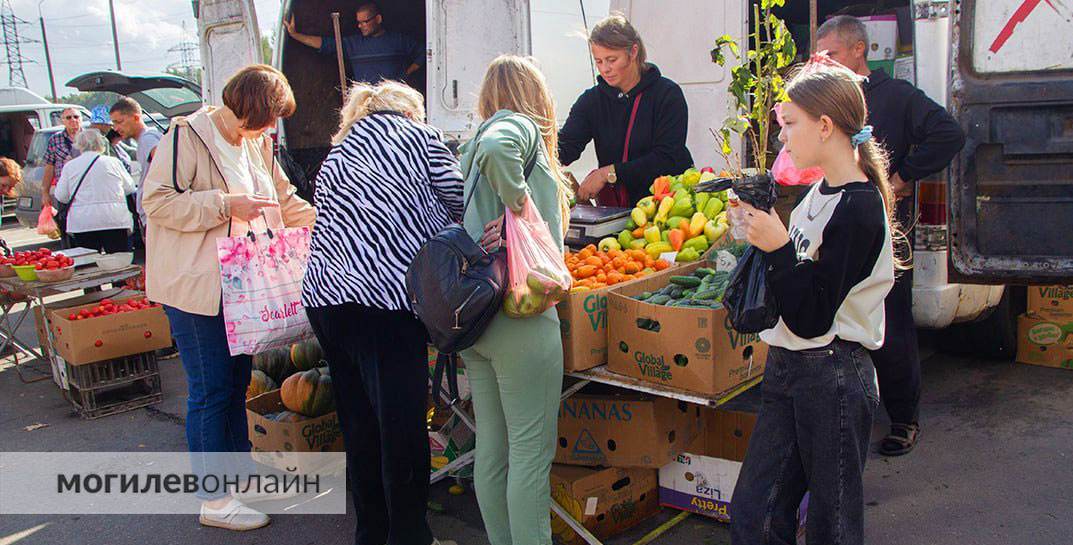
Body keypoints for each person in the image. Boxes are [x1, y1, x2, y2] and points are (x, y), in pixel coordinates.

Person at [728, 61, 896, 545]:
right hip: (789, 366)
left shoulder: (860, 208)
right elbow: (795, 282)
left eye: (789, 125)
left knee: (832, 526)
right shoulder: (819, 190)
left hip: (832, 374)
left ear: (825, 127)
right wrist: (757, 240)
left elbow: (811, 316)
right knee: (753, 515)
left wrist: (778, 247)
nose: (783, 139)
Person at [141, 64, 315, 531]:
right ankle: (213, 501)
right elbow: (154, 202)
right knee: (211, 389)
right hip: (197, 288)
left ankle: (237, 481)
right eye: (267, 118)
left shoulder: (258, 141)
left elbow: (285, 198)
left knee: (235, 385)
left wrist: (328, 220)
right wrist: (222, 205)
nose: (272, 128)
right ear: (246, 109)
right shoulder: (188, 135)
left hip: (242, 288)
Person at [301, 80, 462, 545]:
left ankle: (371, 533)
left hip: (326, 301)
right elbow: (461, 199)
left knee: (360, 424)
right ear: (410, 110)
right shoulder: (422, 139)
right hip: (384, 303)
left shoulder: (338, 154)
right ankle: (411, 537)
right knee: (402, 428)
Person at [817, 15, 965, 456]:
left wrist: (901, 176)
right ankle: (846, 409)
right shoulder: (820, 100)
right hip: (833, 227)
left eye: (832, 55)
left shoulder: (895, 96)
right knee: (837, 320)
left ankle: (904, 419)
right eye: (819, 57)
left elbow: (949, 134)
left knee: (893, 323)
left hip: (886, 229)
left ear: (859, 50)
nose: (824, 64)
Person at [457, 55, 571, 545]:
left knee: (494, 452)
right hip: (520, 314)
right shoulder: (515, 124)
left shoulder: (472, 142)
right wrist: (522, 208)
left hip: (479, 320)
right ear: (535, 96)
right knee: (529, 455)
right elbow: (500, 148)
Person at [558, 13, 693, 206]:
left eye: (612, 60)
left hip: (666, 208)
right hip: (615, 212)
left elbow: (667, 158)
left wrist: (609, 173)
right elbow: (566, 146)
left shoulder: (667, 94)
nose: (605, 69)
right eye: (599, 61)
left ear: (633, 52)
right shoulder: (591, 101)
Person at [285, 2, 423, 84]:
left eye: (365, 22)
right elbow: (325, 44)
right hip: (364, 103)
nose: (360, 26)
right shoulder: (353, 45)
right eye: (359, 22)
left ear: (378, 19)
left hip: (395, 101)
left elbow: (424, 53)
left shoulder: (398, 40)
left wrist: (406, 73)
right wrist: (295, 35)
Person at [52, 129, 135, 253]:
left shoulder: (70, 166)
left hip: (83, 222)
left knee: (89, 262)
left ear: (79, 146)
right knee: (119, 260)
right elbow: (130, 188)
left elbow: (61, 196)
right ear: (101, 144)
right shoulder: (114, 162)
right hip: (114, 219)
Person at [111, 96, 162, 233]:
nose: (116, 128)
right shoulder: (150, 137)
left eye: (119, 122)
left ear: (136, 117)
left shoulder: (147, 138)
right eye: (113, 123)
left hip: (155, 218)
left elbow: (164, 165)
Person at [41, 107, 83, 211]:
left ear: (81, 119)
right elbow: (49, 167)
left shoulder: (89, 137)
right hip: (65, 189)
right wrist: (45, 193)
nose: (73, 120)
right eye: (69, 117)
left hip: (85, 187)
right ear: (62, 121)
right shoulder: (55, 139)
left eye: (76, 117)